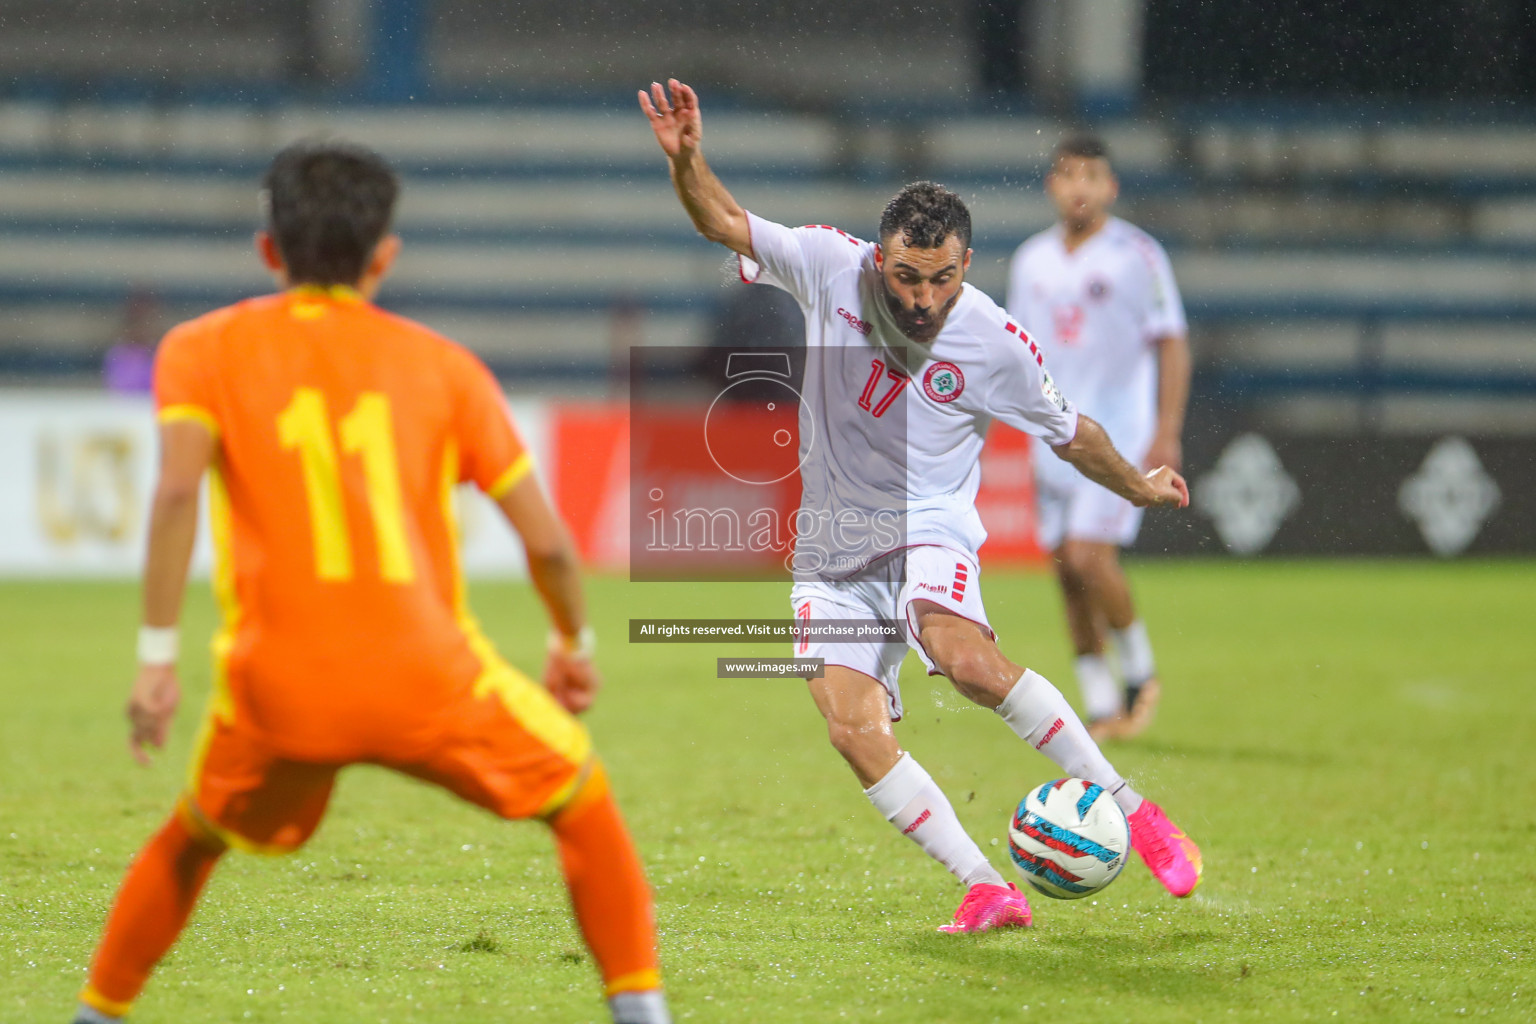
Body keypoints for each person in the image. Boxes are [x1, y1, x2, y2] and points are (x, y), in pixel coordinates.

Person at [72, 142, 670, 1024]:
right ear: (384, 255)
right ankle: (643, 1016)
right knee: (582, 798)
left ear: (268, 250)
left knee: (193, 838)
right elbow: (547, 542)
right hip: (426, 676)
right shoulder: (445, 367)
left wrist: (156, 659)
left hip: (278, 689)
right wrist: (571, 643)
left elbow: (172, 497)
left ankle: (95, 1013)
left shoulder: (199, 351)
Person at [640, 79, 1203, 934]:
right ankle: (986, 884)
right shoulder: (829, 263)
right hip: (830, 543)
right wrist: (688, 160)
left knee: (965, 660)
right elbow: (722, 219)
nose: (922, 300)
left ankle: (1132, 807)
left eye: (941, 280)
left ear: (965, 267)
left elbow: (1069, 429)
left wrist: (1138, 481)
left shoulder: (994, 340)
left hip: (928, 522)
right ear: (877, 258)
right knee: (849, 725)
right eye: (906, 277)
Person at [1006, 135, 1191, 741]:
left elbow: (1172, 340)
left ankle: (1140, 671)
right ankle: (1101, 703)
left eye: (1092, 175)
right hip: (1052, 435)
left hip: (1119, 433)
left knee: (1090, 555)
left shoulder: (1139, 254)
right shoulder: (1031, 260)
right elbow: (1015, 352)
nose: (1080, 186)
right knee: (1065, 569)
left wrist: (1165, 430)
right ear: (1052, 187)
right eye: (1068, 175)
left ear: (1110, 187)